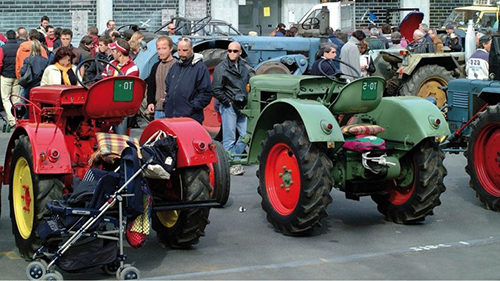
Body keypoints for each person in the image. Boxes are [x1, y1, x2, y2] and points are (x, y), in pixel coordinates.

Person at [212, 41, 250, 176]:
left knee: (246, 136)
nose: (231, 53)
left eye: (235, 51)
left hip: (243, 106)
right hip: (229, 106)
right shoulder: (221, 68)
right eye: (229, 51)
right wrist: (227, 102)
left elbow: (248, 83)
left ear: (240, 52)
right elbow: (216, 89)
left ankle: (235, 160)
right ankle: (231, 164)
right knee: (229, 138)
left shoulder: (244, 67)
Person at [164, 37, 212, 123]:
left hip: (190, 119)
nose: (181, 53)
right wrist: (167, 103)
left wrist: (191, 107)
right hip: (171, 117)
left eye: (185, 50)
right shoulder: (175, 66)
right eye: (179, 50)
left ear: (191, 49)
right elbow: (168, 87)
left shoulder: (200, 68)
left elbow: (206, 93)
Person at [101, 39, 139, 134]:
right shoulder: (111, 64)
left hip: (121, 110)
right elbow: (102, 81)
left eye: (113, 50)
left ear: (119, 53)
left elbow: (123, 91)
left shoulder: (132, 68)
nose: (112, 52)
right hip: (106, 106)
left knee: (121, 137)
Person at [146, 36, 176, 120]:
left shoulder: (177, 65)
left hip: (173, 110)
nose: (161, 52)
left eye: (164, 48)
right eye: (159, 49)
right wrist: (150, 102)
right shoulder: (155, 66)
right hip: (158, 110)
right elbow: (151, 86)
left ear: (170, 49)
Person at [0, 30, 22, 128]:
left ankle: (12, 120)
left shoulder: (3, 48)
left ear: (7, 37)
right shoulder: (20, 47)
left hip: (5, 75)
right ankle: (18, 118)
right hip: (17, 76)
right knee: (16, 99)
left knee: (6, 99)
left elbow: (0, 63)